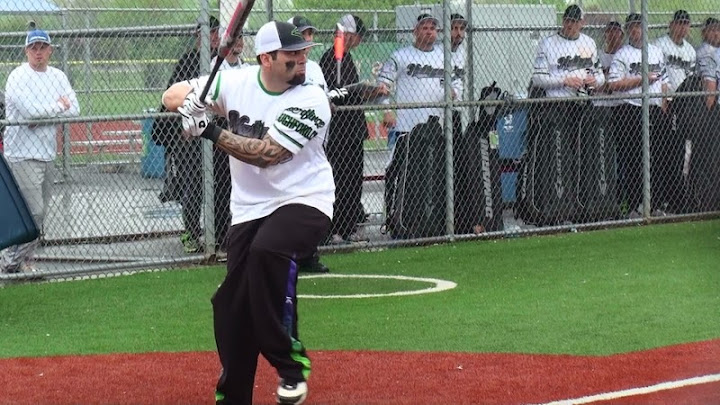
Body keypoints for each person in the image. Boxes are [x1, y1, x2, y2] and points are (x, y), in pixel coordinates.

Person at [162, 20, 333, 405]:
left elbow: (268, 155)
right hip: (249, 208)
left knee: (266, 251)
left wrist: (209, 131)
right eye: (292, 55)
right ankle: (234, 395)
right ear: (266, 59)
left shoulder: (311, 97)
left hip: (305, 198)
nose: (301, 60)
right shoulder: (234, 81)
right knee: (230, 305)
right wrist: (192, 104)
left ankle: (290, 363)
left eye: (303, 53)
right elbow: (170, 95)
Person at [1, 29, 79, 274]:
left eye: (42, 47)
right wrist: (57, 107)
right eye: (33, 47)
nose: (38, 52)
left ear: (50, 50)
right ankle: (10, 261)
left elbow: (74, 109)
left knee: (41, 213)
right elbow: (29, 113)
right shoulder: (18, 76)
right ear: (26, 51)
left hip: (47, 152)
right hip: (22, 153)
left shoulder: (57, 76)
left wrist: (42, 115)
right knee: (32, 212)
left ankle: (23, 260)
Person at [528, 4, 604, 224]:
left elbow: (601, 76)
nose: (570, 25)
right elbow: (538, 78)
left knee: (583, 157)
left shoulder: (589, 43)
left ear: (582, 23)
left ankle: (582, 207)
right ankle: (558, 208)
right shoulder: (548, 43)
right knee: (559, 159)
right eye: (567, 20)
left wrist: (594, 81)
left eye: (574, 21)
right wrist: (564, 80)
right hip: (556, 107)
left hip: (582, 106)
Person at [153, 15, 220, 253]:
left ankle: (217, 233)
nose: (213, 37)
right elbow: (174, 99)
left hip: (214, 132)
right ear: (199, 37)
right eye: (209, 33)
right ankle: (191, 233)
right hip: (189, 136)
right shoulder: (189, 60)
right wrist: (184, 126)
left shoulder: (220, 61)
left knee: (217, 184)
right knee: (193, 184)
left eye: (215, 33)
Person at [319, 14, 375, 244]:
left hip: (353, 130)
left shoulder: (346, 57)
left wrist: (364, 91)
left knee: (353, 180)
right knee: (340, 180)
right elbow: (333, 93)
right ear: (348, 35)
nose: (358, 40)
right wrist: (358, 89)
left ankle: (348, 225)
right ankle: (336, 228)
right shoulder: (331, 58)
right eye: (356, 35)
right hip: (339, 132)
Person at [607, 13, 669, 218]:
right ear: (627, 30)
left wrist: (663, 103)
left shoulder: (656, 52)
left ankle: (655, 204)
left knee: (657, 158)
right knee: (633, 159)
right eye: (632, 27)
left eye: (639, 26)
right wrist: (641, 80)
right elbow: (613, 84)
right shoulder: (622, 54)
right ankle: (634, 206)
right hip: (630, 109)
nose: (636, 30)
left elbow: (664, 81)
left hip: (654, 108)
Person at [210, 34, 251, 261]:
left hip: (241, 129)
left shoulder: (246, 68)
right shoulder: (216, 66)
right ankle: (219, 237)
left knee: (242, 185)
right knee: (223, 186)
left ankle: (241, 238)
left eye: (241, 38)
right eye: (235, 39)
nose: (239, 43)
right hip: (221, 129)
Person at [652, 10, 695, 214]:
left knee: (679, 152)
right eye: (679, 23)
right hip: (666, 103)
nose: (682, 27)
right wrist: (664, 100)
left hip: (684, 105)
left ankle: (676, 199)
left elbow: (692, 78)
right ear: (671, 24)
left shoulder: (690, 51)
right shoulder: (660, 45)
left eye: (686, 24)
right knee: (663, 152)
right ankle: (662, 199)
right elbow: (659, 76)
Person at [287, 16, 327, 92]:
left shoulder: (315, 67)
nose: (308, 39)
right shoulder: (286, 68)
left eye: (310, 33)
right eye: (302, 33)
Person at [696, 17, 720, 109]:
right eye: (712, 30)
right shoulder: (705, 52)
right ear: (704, 33)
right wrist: (709, 111)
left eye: (718, 30)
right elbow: (709, 83)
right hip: (716, 104)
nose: (716, 34)